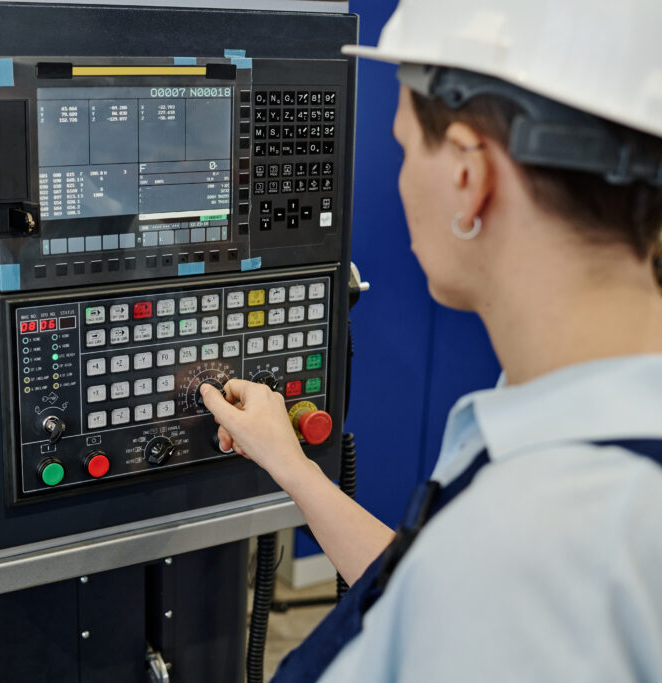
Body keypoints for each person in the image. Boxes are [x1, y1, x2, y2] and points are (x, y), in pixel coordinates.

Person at [199, 1, 662, 680]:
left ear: (469, 177)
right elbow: (425, 586)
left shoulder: (543, 545)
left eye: (407, 144)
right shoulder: (579, 420)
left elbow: (477, 587)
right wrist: (295, 469)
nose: (401, 172)